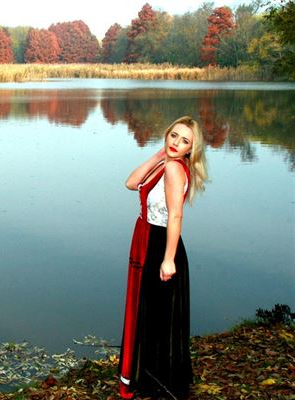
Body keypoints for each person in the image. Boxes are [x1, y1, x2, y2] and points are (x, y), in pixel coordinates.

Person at [118, 116, 208, 399]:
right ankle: (149, 376)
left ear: (191, 149)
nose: (176, 143)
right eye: (174, 135)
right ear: (166, 134)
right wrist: (157, 155)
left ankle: (159, 382)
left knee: (157, 315)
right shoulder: (166, 163)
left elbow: (176, 216)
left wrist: (168, 259)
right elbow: (131, 183)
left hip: (160, 244)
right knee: (150, 311)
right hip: (148, 239)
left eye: (185, 141)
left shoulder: (174, 169)